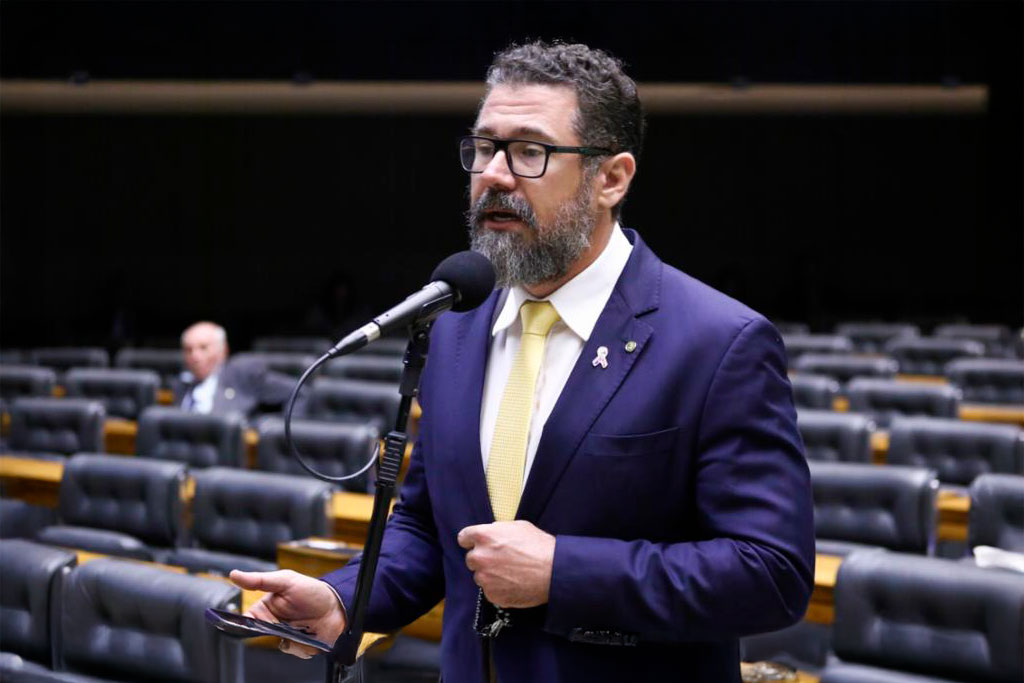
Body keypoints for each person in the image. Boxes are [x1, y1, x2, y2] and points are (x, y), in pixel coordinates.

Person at [231, 41, 814, 683]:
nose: (495, 175)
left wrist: (564, 572)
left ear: (611, 178)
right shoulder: (456, 323)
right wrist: (347, 599)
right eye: (483, 148)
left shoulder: (717, 342)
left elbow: (771, 574)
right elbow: (432, 526)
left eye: (530, 152)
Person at [173, 321, 304, 420]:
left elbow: (298, 393)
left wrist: (280, 437)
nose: (195, 356)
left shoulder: (242, 373)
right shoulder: (181, 383)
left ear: (223, 350)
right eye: (188, 350)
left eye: (203, 348)